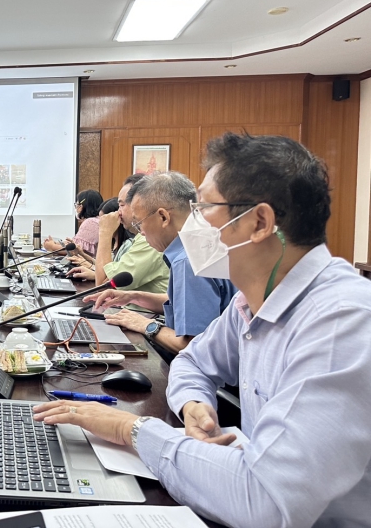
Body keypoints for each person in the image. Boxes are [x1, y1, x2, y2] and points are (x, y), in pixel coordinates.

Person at [34, 133, 371, 528]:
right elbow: (192, 362)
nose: (192, 221)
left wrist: (132, 429)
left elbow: (265, 502)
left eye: (205, 207)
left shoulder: (342, 324)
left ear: (259, 223)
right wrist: (195, 405)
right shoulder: (253, 299)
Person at [88, 172, 236, 355]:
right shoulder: (203, 240)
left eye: (139, 224)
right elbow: (188, 305)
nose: (141, 232)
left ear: (164, 217)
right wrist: (133, 296)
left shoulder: (188, 259)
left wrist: (146, 325)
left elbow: (196, 347)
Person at [68, 175, 169, 301]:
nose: (118, 212)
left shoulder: (149, 241)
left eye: (121, 205)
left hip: (136, 312)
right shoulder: (140, 238)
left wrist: (105, 232)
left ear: (138, 205)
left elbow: (103, 287)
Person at [43, 189, 103, 255]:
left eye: (76, 205)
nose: (76, 208)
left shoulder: (91, 222)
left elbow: (75, 251)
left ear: (81, 206)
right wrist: (56, 244)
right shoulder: (97, 220)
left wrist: (52, 246)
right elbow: (76, 244)